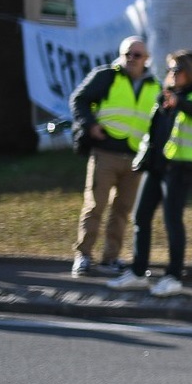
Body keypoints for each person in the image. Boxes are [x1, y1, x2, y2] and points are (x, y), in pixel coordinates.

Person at [109, 51, 192, 296]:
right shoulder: (164, 97)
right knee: (140, 218)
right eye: (169, 70)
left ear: (190, 72)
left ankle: (173, 276)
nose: (171, 75)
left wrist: (179, 102)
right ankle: (138, 272)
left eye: (176, 70)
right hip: (157, 167)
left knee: (172, 221)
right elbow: (153, 132)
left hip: (180, 167)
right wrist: (143, 158)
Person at [67, 35, 158, 277]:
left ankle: (110, 257)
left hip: (135, 157)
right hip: (106, 152)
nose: (131, 58)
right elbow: (79, 99)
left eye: (136, 55)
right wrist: (90, 125)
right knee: (95, 205)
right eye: (127, 53)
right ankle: (83, 255)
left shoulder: (154, 85)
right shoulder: (106, 75)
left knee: (123, 210)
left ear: (146, 59)